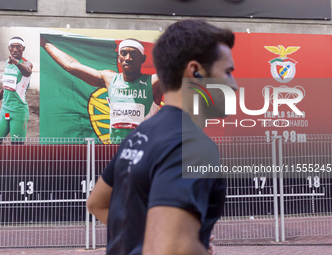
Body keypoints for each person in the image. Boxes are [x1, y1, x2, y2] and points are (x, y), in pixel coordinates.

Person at [87, 19, 238, 255]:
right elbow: (173, 248)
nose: (234, 84)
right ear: (195, 72)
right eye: (227, 71)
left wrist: (156, 235)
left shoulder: (138, 135)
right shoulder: (191, 145)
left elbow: (96, 203)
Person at [41, 37, 163, 143]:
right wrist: (44, 43)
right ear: (119, 57)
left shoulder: (153, 82)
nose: (128, 58)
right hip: (116, 151)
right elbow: (71, 65)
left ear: (143, 58)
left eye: (134, 54)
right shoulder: (110, 79)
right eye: (124, 53)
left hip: (145, 152)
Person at [0, 36, 33, 145]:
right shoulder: (7, 63)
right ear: (9, 48)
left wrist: (16, 62)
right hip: (5, 109)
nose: (15, 49)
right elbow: (5, 86)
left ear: (23, 48)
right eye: (12, 46)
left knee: (16, 148)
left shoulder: (27, 63)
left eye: (18, 47)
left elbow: (27, 72)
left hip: (18, 111)